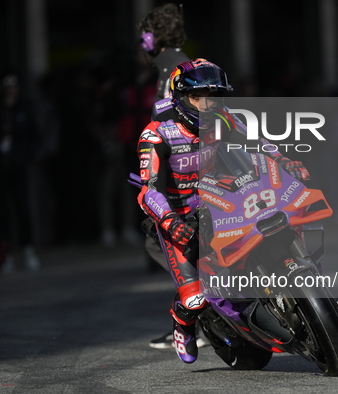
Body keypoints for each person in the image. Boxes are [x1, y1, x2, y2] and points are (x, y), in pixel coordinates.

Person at [136, 58, 310, 363]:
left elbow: (257, 142)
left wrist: (285, 162)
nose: (207, 105)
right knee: (195, 299)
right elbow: (149, 190)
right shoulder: (155, 135)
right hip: (178, 216)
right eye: (198, 97)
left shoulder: (223, 119)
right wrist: (171, 222)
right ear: (178, 98)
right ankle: (182, 320)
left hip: (218, 198)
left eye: (214, 96)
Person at [137, 3, 192, 350]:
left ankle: (199, 313)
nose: (141, 42)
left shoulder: (173, 67)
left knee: (158, 240)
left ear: (152, 36)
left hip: (184, 174)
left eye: (143, 35)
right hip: (177, 167)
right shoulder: (173, 63)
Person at [0, 71, 40, 272]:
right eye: (7, 85)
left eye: (13, 85)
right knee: (1, 211)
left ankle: (28, 249)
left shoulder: (25, 108)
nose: (10, 89)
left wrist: (24, 156)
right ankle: (4, 252)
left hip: (18, 166)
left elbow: (34, 137)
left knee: (23, 208)